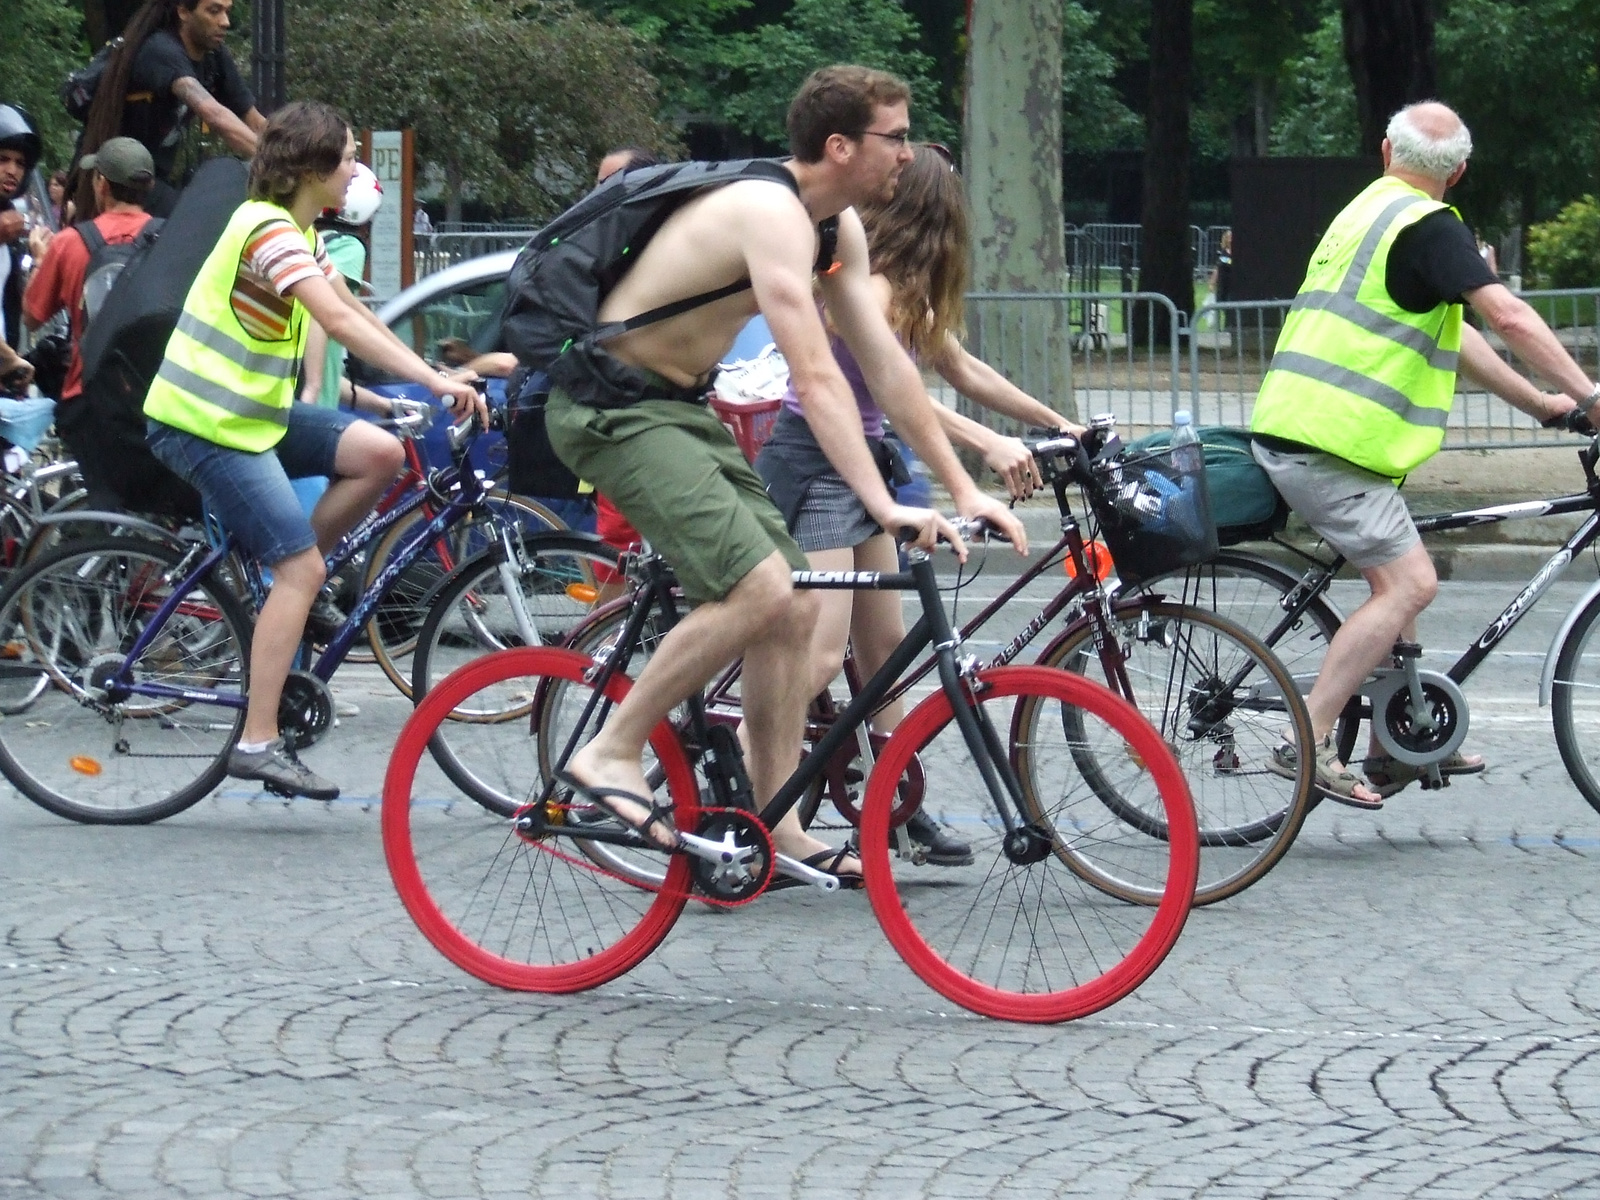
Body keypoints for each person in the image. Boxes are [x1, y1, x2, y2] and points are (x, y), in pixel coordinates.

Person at [541, 65, 1027, 883]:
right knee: (762, 587)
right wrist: (881, 499)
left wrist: (965, 481)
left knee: (796, 607)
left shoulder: (840, 230)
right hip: (611, 408)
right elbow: (816, 373)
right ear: (840, 146)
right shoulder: (771, 213)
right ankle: (611, 752)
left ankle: (776, 821)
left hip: (678, 409)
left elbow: (891, 369)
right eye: (896, 136)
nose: (910, 154)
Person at [1251, 101, 1600, 809]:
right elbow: (1505, 316)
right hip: (1331, 445)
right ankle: (1311, 737)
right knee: (1410, 585)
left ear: (1386, 151)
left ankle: (1396, 739)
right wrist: (1592, 392)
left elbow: (1461, 338)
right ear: (1460, 171)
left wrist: (1546, 406)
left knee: (1396, 572)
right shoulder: (1430, 226)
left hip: (1312, 430)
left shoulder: (1366, 214)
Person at [142, 100, 483, 800]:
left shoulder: (299, 230)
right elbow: (332, 318)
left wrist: (429, 376)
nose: (357, 169)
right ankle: (257, 741)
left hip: (253, 418)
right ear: (311, 167)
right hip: (202, 422)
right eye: (349, 155)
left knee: (379, 455)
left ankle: (290, 581)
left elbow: (353, 311)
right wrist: (432, 379)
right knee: (297, 568)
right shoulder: (267, 230)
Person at [754, 141, 1076, 866]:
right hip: (816, 466)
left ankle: (898, 808)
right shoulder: (864, 291)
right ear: (940, 215)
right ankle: (752, 803)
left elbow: (960, 369)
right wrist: (985, 449)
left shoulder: (902, 286)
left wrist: (1057, 425)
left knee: (883, 659)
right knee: (817, 655)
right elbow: (904, 398)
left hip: (860, 467)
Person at [22, 138, 162, 508]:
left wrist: (39, 258)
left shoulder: (70, 243)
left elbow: (32, 316)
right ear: (147, 186)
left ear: (101, 182)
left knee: (101, 502)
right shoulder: (171, 240)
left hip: (89, 402)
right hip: (158, 398)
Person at [75, 0, 265, 219]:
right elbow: (213, 114)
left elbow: (256, 121)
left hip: (154, 177)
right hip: (117, 177)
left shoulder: (214, 56)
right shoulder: (159, 50)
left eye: (227, 12)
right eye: (214, 11)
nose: (225, 22)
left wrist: (296, 157)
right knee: (195, 223)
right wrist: (271, 162)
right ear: (183, 11)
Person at [0, 105, 43, 355]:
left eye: (20, 163)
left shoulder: (15, 223)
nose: (12, 170)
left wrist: (41, 259)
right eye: (3, 159)